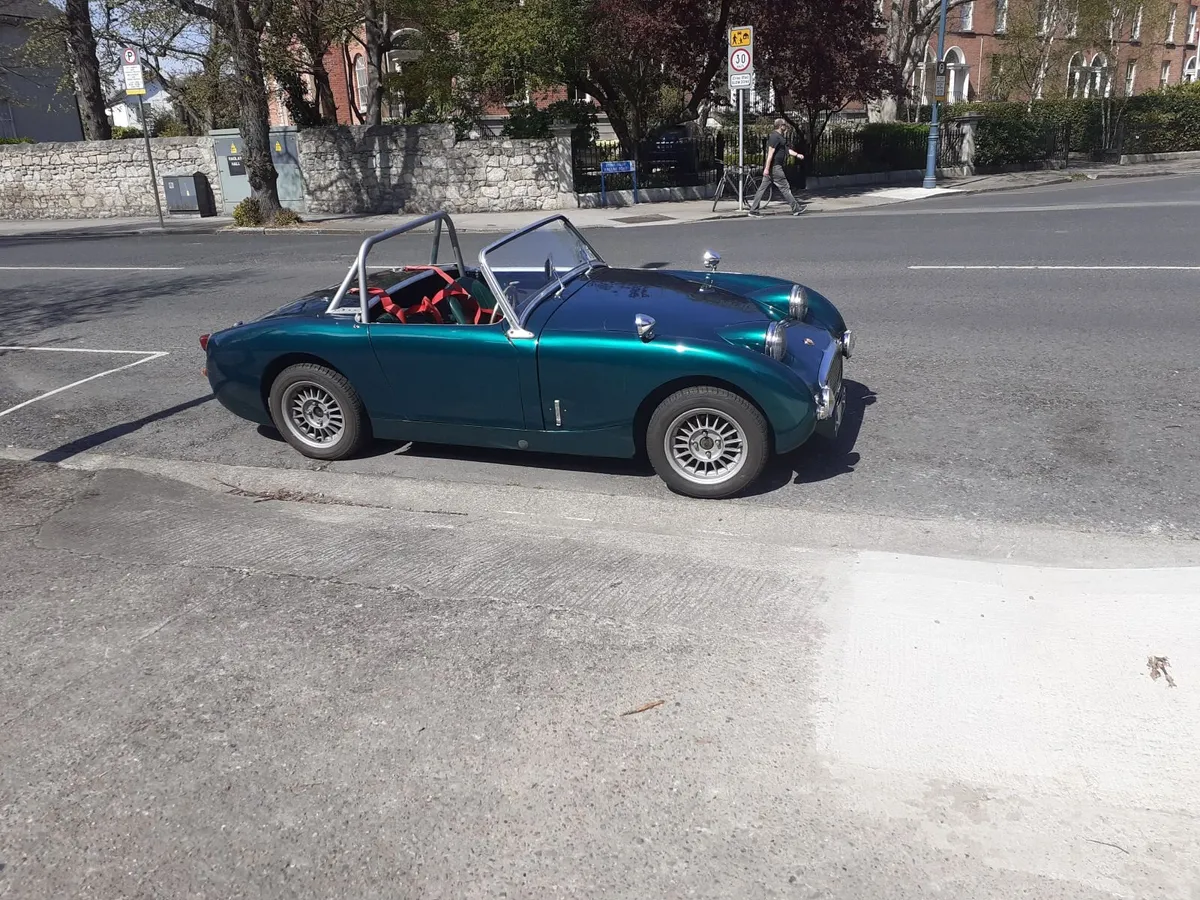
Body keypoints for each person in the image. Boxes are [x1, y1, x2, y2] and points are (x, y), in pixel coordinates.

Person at [747, 119, 806, 217]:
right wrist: (766, 168)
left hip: (773, 168)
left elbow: (787, 150)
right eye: (784, 125)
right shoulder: (774, 137)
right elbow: (770, 153)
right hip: (775, 168)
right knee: (785, 188)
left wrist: (797, 155)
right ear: (780, 126)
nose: (786, 126)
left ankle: (753, 210)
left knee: (762, 189)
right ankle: (796, 208)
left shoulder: (780, 137)